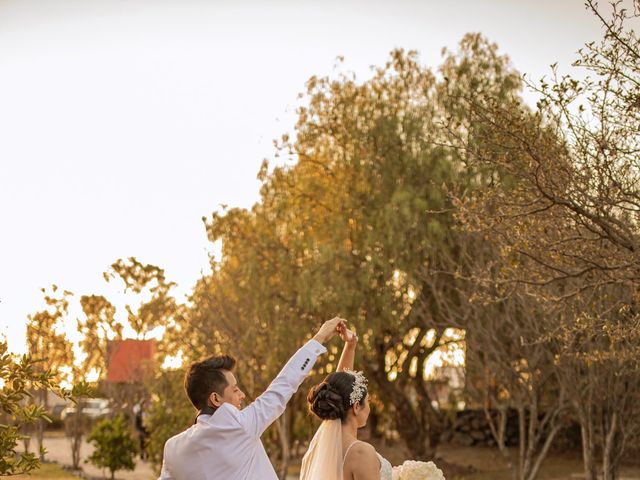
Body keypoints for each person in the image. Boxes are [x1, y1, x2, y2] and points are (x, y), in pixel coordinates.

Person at [158, 316, 346, 480]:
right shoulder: (238, 425)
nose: (242, 395)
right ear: (215, 399)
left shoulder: (173, 448)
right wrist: (319, 338)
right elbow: (282, 386)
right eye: (235, 389)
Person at [300, 326, 393, 480]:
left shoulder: (322, 449)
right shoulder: (361, 453)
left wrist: (350, 346)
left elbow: (340, 387)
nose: (369, 407)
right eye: (367, 400)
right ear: (357, 406)